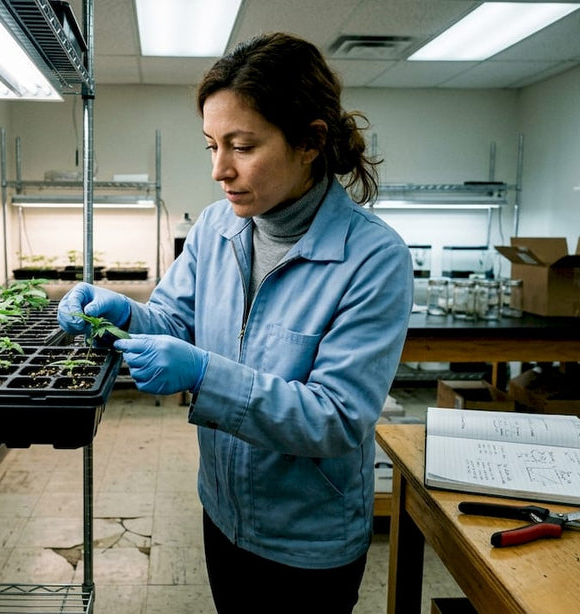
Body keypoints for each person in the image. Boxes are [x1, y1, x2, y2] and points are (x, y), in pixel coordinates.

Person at [58, 32, 412, 613]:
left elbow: (335, 418)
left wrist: (203, 374)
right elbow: (173, 319)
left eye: (242, 146)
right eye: (211, 146)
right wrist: (123, 311)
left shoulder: (372, 259)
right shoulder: (216, 228)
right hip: (221, 509)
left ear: (310, 142)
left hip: (308, 542)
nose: (220, 170)